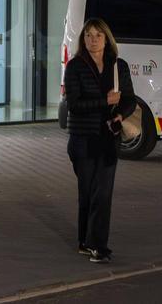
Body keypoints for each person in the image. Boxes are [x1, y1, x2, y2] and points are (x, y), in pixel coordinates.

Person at [63, 18, 135, 264]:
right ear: (83, 39)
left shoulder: (119, 66)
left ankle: (97, 246)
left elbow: (130, 99)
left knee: (102, 194)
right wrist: (105, 101)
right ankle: (85, 242)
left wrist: (120, 115)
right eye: (88, 35)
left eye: (98, 35)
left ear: (107, 39)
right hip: (83, 140)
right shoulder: (75, 66)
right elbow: (74, 105)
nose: (93, 40)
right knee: (88, 192)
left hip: (108, 139)